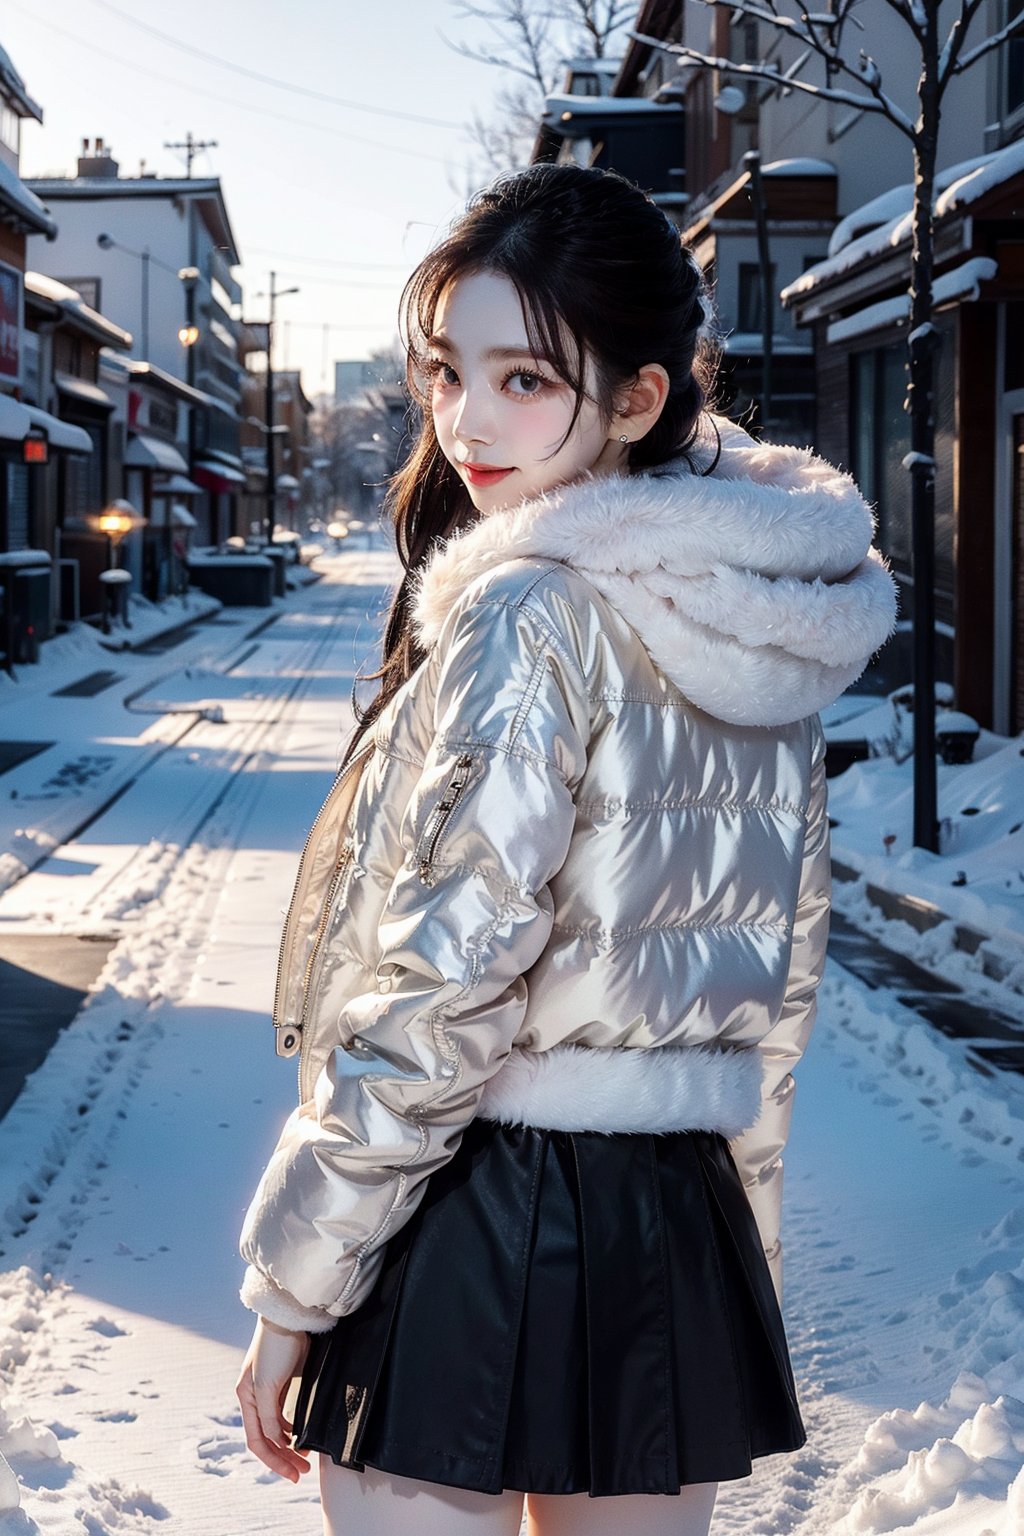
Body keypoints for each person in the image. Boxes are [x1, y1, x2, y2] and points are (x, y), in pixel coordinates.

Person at [234, 163, 897, 1536]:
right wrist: (740, 1239)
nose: (467, 421)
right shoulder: (756, 617)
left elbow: (436, 991)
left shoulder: (530, 609)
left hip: (470, 1212)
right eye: (443, 372)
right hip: (670, 1229)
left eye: (525, 379)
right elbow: (778, 988)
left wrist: (296, 1288)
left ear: (642, 396)